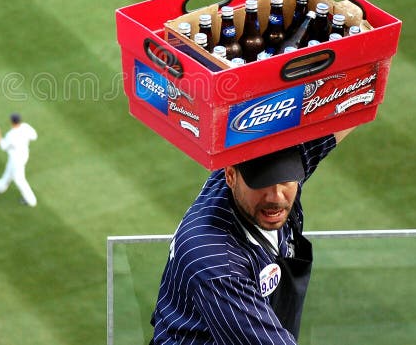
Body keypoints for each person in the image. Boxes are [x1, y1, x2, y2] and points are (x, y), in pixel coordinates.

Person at [150, 128, 355, 344]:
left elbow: (346, 112)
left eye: (286, 178)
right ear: (230, 176)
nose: (276, 197)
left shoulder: (260, 177)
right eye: (263, 182)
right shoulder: (217, 262)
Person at [0, 113, 39, 207]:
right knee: (9, 170)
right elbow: (34, 136)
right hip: (23, 155)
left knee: (19, 180)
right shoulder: (25, 127)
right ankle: (0, 186)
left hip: (17, 160)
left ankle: (31, 201)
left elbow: (3, 146)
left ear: (11, 122)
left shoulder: (11, 135)